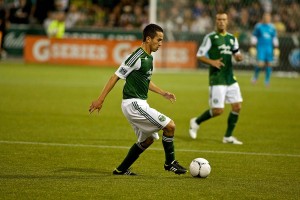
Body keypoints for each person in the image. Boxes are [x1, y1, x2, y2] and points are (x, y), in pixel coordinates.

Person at [89, 24, 187, 175]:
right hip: (133, 104)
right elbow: (116, 76)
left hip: (138, 103)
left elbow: (145, 80)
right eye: (158, 40)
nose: (161, 43)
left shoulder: (148, 57)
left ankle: (121, 169)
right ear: (148, 39)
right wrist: (100, 99)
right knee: (170, 126)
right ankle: (170, 163)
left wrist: (163, 93)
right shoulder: (136, 56)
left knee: (147, 140)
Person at [189, 12, 243, 145]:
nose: (221, 22)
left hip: (230, 77)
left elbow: (237, 54)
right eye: (219, 19)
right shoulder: (210, 38)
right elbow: (199, 55)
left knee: (237, 107)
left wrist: (239, 57)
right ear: (216, 21)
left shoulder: (232, 38)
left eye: (224, 19)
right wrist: (212, 62)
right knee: (218, 111)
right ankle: (196, 122)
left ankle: (228, 137)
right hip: (217, 78)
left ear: (227, 21)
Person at [249, 12, 279, 86]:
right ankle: (255, 77)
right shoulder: (258, 26)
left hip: (269, 48)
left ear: (270, 18)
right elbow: (254, 36)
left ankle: (267, 81)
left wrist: (276, 47)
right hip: (261, 47)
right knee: (260, 63)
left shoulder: (272, 27)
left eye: (268, 17)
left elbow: (274, 37)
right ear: (263, 18)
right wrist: (252, 46)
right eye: (265, 17)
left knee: (269, 64)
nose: (266, 18)